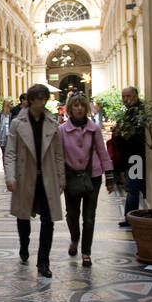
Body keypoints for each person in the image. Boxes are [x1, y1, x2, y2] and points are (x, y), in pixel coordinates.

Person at [4, 82, 65, 278]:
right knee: (23, 217)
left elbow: (58, 154)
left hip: (47, 178)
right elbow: (10, 152)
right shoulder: (17, 123)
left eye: (44, 99)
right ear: (30, 101)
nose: (42, 103)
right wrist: (10, 177)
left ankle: (43, 262)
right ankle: (24, 245)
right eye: (38, 99)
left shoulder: (52, 123)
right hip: (25, 176)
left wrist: (61, 178)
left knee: (48, 221)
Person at [60, 92, 114, 267]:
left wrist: (110, 177)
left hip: (93, 177)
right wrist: (60, 179)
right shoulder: (62, 130)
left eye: (82, 105)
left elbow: (102, 152)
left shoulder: (94, 129)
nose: (79, 108)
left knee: (89, 217)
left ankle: (86, 252)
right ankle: (75, 238)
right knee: (72, 215)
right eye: (75, 105)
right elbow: (58, 156)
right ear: (70, 108)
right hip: (71, 177)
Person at [113, 86, 146, 229]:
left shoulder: (139, 112)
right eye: (123, 96)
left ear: (136, 96)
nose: (125, 99)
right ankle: (130, 216)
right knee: (132, 186)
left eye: (128, 96)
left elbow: (135, 135)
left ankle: (130, 217)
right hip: (131, 158)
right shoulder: (131, 112)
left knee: (132, 187)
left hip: (136, 158)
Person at [0, 99, 14, 167]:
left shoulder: (13, 114)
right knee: (5, 154)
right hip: (3, 138)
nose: (12, 106)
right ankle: (6, 168)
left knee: (12, 154)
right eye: (11, 104)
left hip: (12, 137)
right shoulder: (0, 115)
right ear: (7, 105)